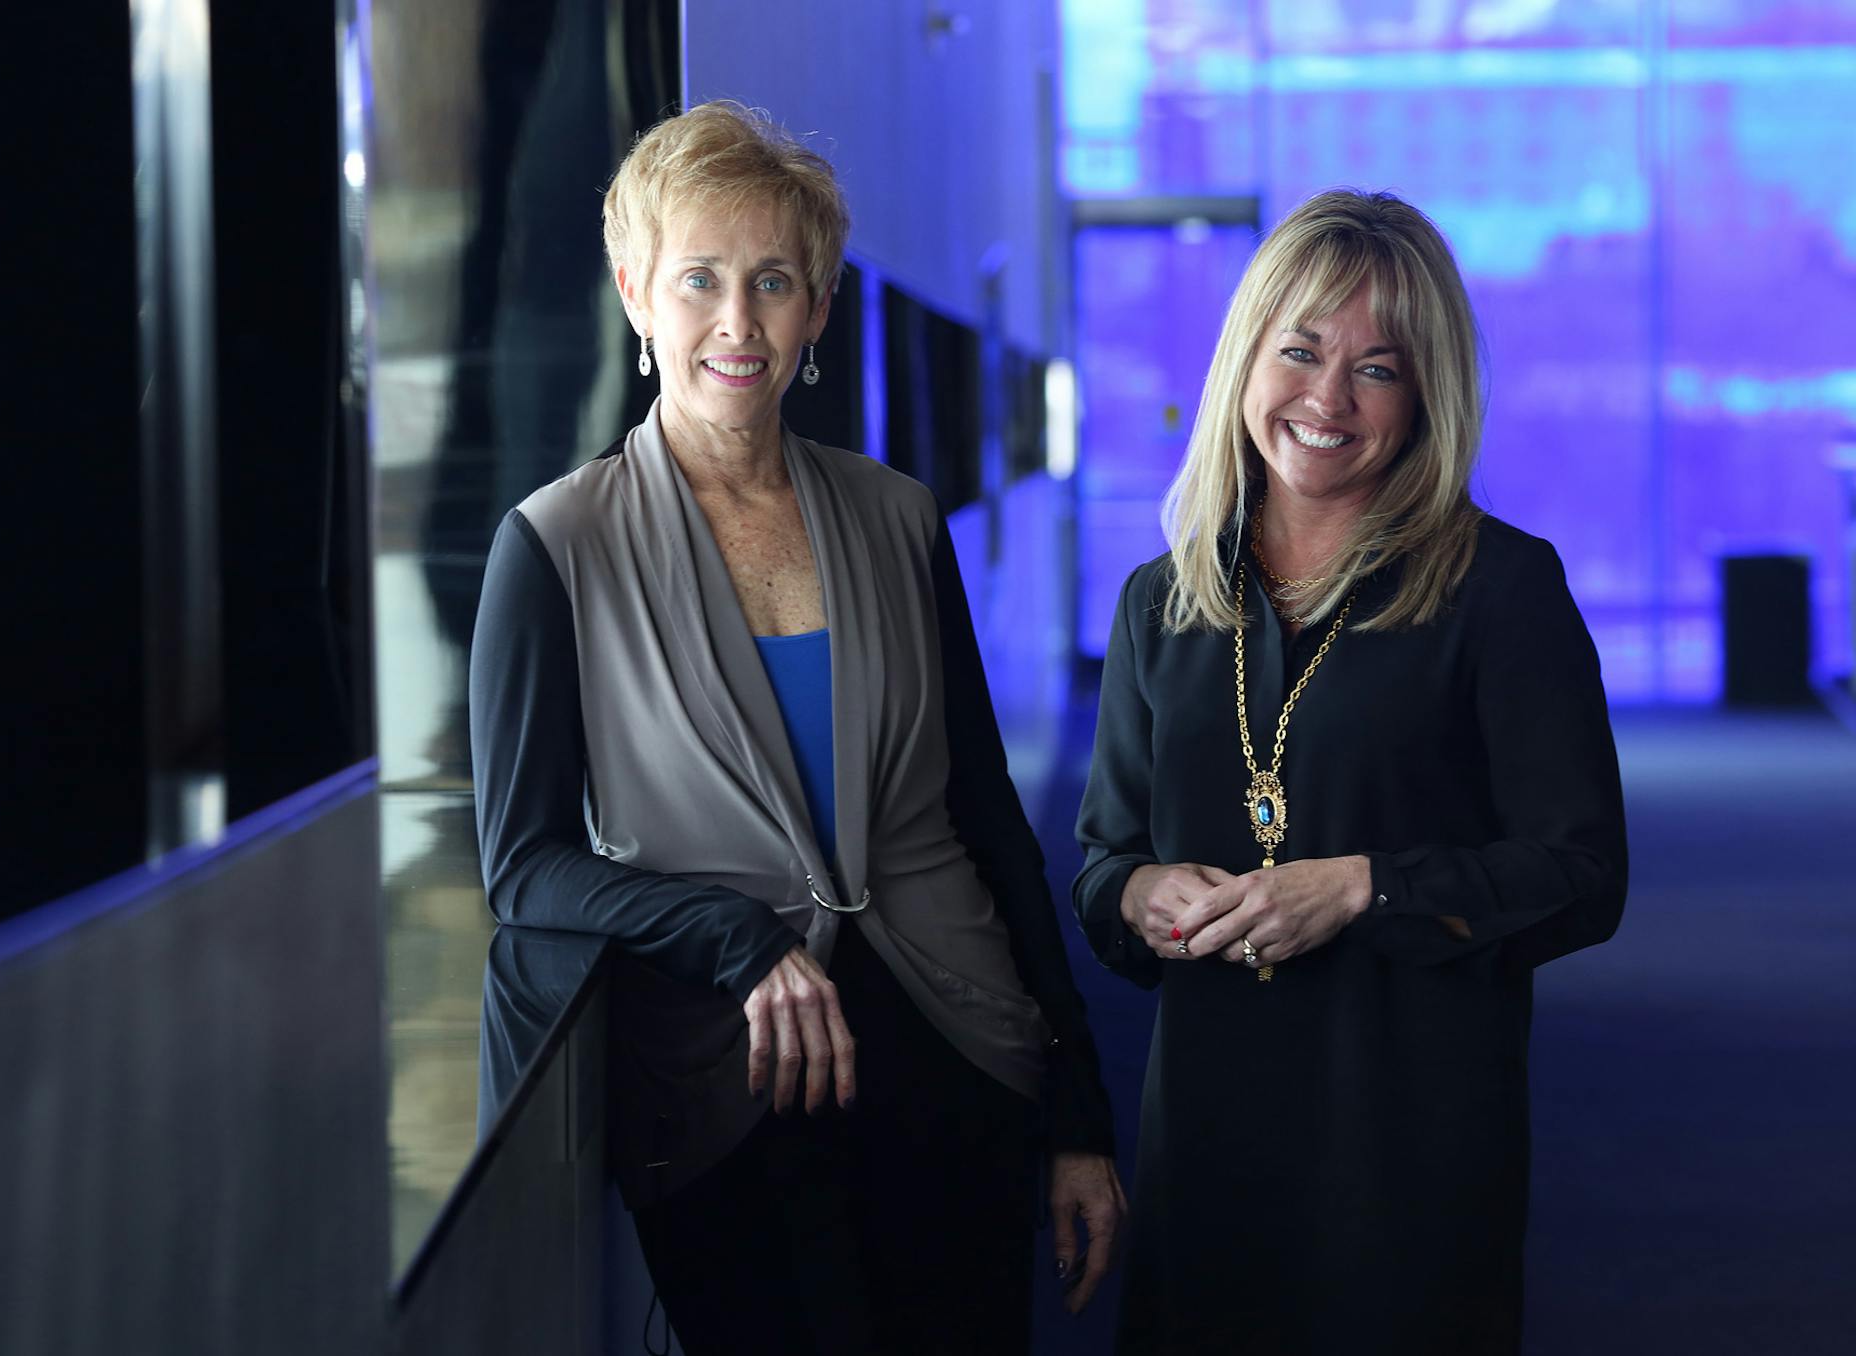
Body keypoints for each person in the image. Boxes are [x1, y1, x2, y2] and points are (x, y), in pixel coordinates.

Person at [469, 100, 1124, 1354]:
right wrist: (731, 935)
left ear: (819, 311)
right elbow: (524, 866)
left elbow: (986, 819)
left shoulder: (897, 518)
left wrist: (1078, 1111)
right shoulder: (556, 545)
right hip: (726, 1076)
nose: (737, 322)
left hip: (959, 1052)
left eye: (775, 283)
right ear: (634, 290)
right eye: (700, 279)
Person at [1073, 189, 1628, 1356]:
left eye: (1377, 369)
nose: (1328, 400)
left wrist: (1365, 888)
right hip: (1210, 1137)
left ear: (1425, 398)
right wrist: (1134, 892)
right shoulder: (1157, 604)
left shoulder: (1502, 591)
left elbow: (1584, 875)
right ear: (1248, 359)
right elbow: (1102, 862)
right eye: (1303, 351)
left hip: (1407, 1146)